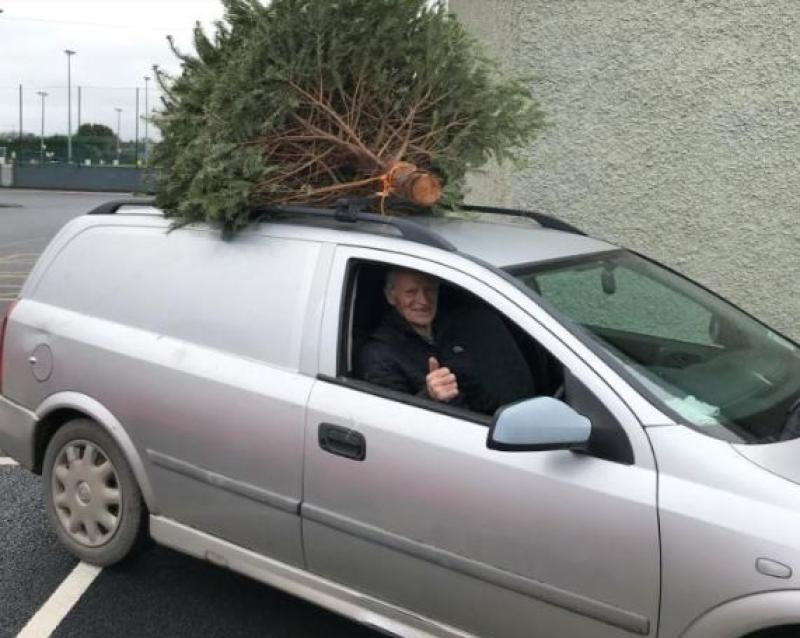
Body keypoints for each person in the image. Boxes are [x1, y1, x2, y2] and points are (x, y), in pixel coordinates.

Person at [356, 268, 535, 415]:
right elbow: (390, 422)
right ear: (391, 297)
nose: (423, 300)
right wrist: (429, 397)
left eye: (430, 290)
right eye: (411, 292)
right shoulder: (379, 354)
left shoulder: (458, 329)